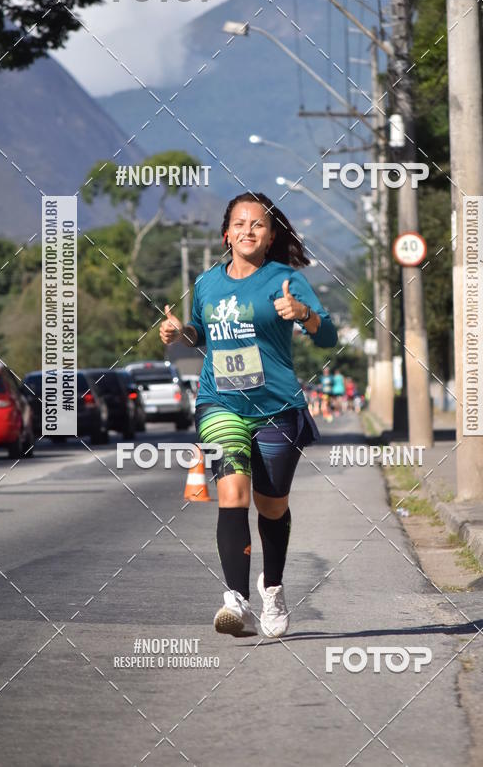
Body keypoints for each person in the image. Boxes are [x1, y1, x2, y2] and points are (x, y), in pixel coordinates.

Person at [159, 192, 338, 638]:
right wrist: (182, 331)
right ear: (226, 234)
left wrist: (304, 316)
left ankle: (272, 590)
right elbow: (201, 331)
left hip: (278, 407)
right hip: (220, 402)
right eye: (239, 223)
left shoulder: (285, 279)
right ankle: (236, 601)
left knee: (271, 506)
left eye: (257, 224)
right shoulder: (207, 284)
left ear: (271, 234)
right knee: (233, 495)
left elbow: (328, 335)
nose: (247, 231)